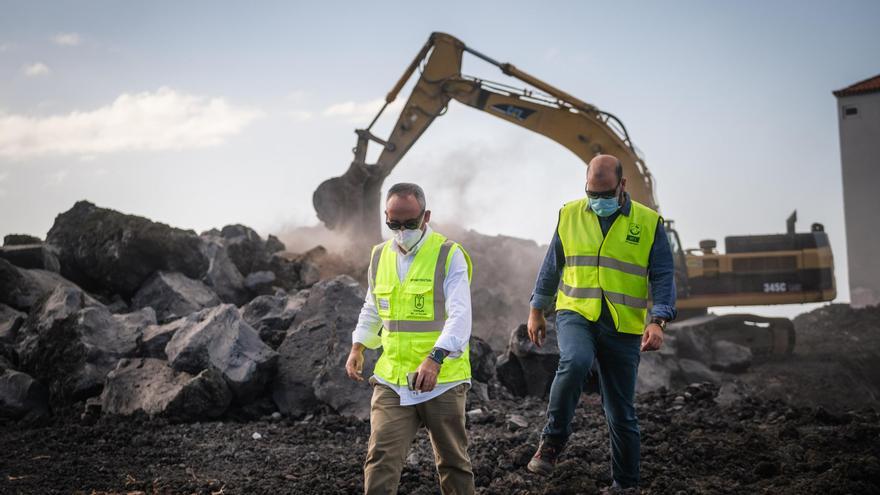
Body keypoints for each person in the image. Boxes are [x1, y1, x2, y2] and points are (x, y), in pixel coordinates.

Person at [525, 154, 677, 490]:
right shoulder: (569, 214)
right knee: (575, 360)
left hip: (623, 325)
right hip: (576, 312)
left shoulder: (649, 222)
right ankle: (552, 441)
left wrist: (659, 320)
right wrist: (537, 309)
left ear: (623, 186)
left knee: (621, 411)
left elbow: (664, 274)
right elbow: (553, 265)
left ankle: (626, 484)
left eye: (605, 195)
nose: (598, 201)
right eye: (592, 194)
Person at [345, 182, 476, 495]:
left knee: (453, 463)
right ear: (386, 218)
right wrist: (358, 346)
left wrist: (435, 358)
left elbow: (460, 316)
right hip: (393, 379)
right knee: (380, 459)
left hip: (441, 380)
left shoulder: (449, 255)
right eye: (394, 224)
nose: (401, 230)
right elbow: (372, 307)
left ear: (426, 216)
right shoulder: (379, 257)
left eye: (409, 223)